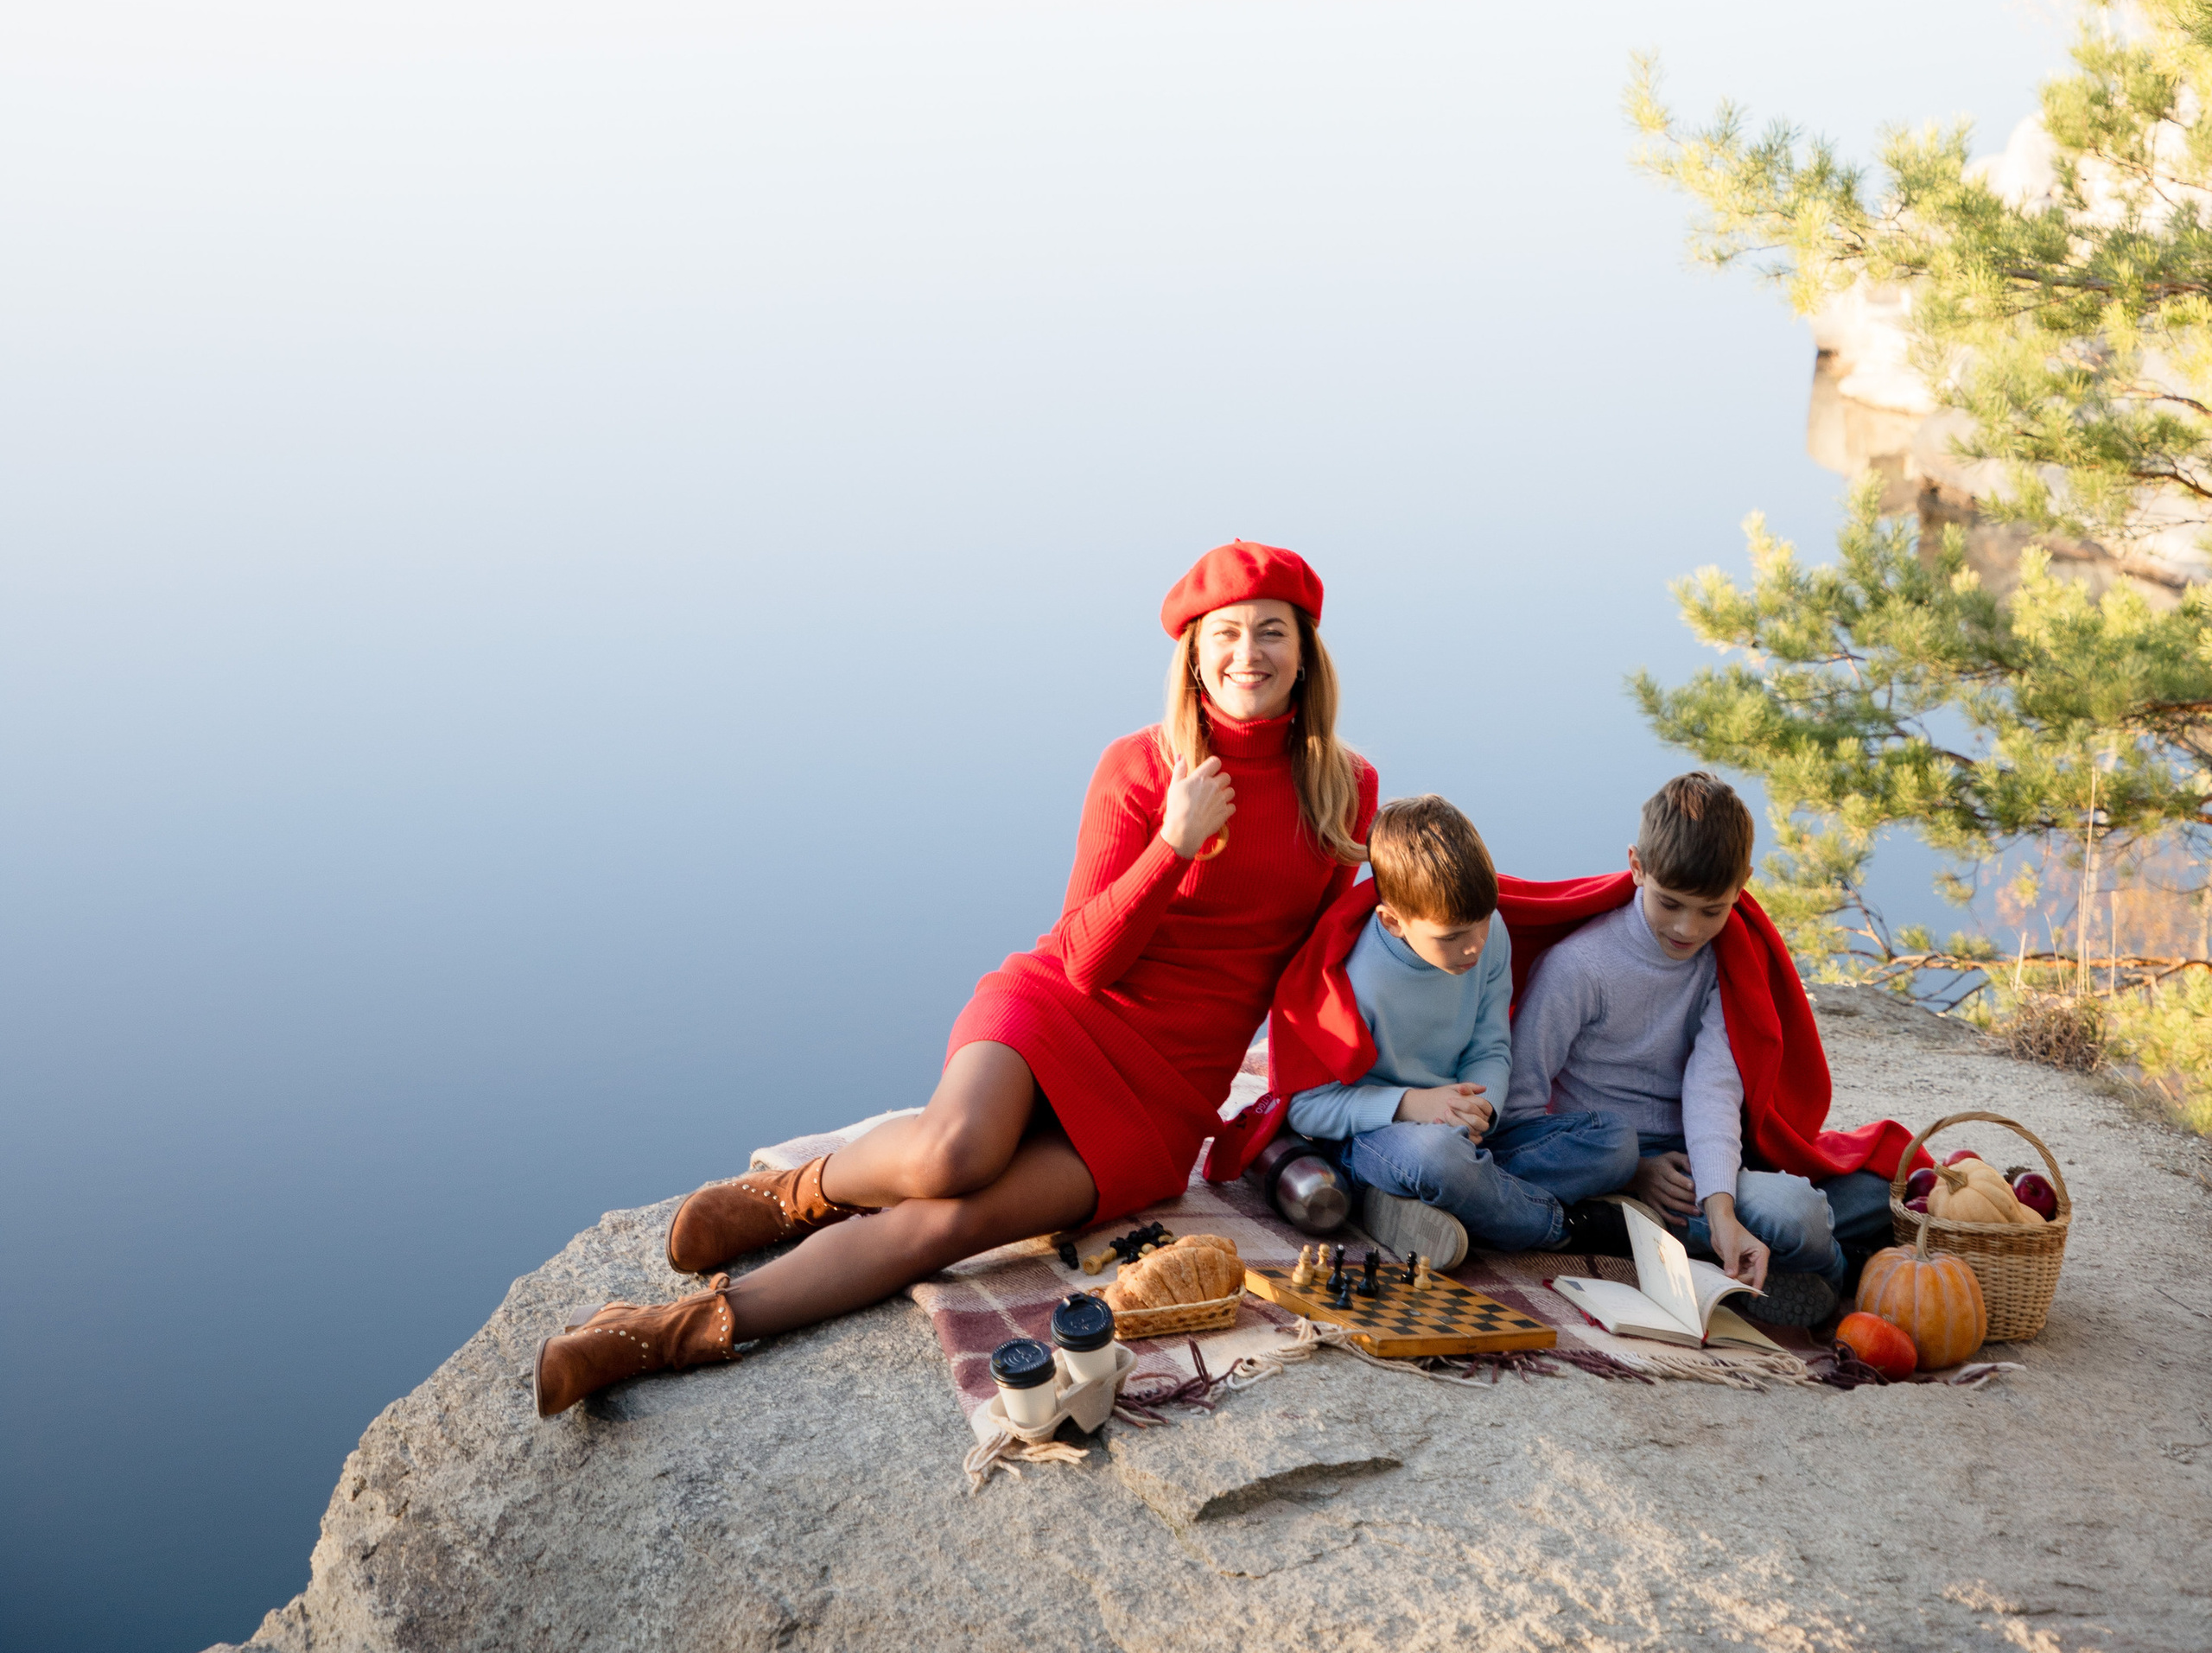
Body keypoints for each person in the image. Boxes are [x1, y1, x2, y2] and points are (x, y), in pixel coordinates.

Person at [533, 539, 1379, 1416]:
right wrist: (1173, 843)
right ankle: (800, 1192)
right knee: (953, 1154)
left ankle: (659, 1333)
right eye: (1228, 634)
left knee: (952, 1224)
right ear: (1195, 653)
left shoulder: (1342, 787)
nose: (1250, 655)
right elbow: (1088, 958)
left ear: (1304, 650)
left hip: (1165, 1092)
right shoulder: (1140, 766)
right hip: (1060, 1010)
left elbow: (1330, 955)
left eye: (1271, 632)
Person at [1498, 772, 1905, 1321]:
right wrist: (1632, 1175)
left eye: (1711, 910)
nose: (1688, 929)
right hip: (1606, 1163)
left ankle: (1741, 1255)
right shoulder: (1579, 967)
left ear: (1742, 887)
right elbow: (1522, 1109)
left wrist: (1722, 1210)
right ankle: (1837, 1279)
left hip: (1701, 1159)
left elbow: (1713, 1085)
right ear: (1637, 866)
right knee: (1799, 1216)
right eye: (1670, 904)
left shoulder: (1725, 960)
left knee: (1870, 1194)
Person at [1276, 794, 1639, 1267]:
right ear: (1393, 921)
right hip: (1378, 1138)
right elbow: (1308, 1109)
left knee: (1615, 1142)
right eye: (1451, 937)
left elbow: (1490, 1045)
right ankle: (1561, 1228)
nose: (1473, 948)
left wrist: (1482, 1109)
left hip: (1462, 1133)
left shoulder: (1492, 937)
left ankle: (1460, 1201)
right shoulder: (1353, 979)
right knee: (1436, 1158)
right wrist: (1413, 1105)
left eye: (1481, 924)